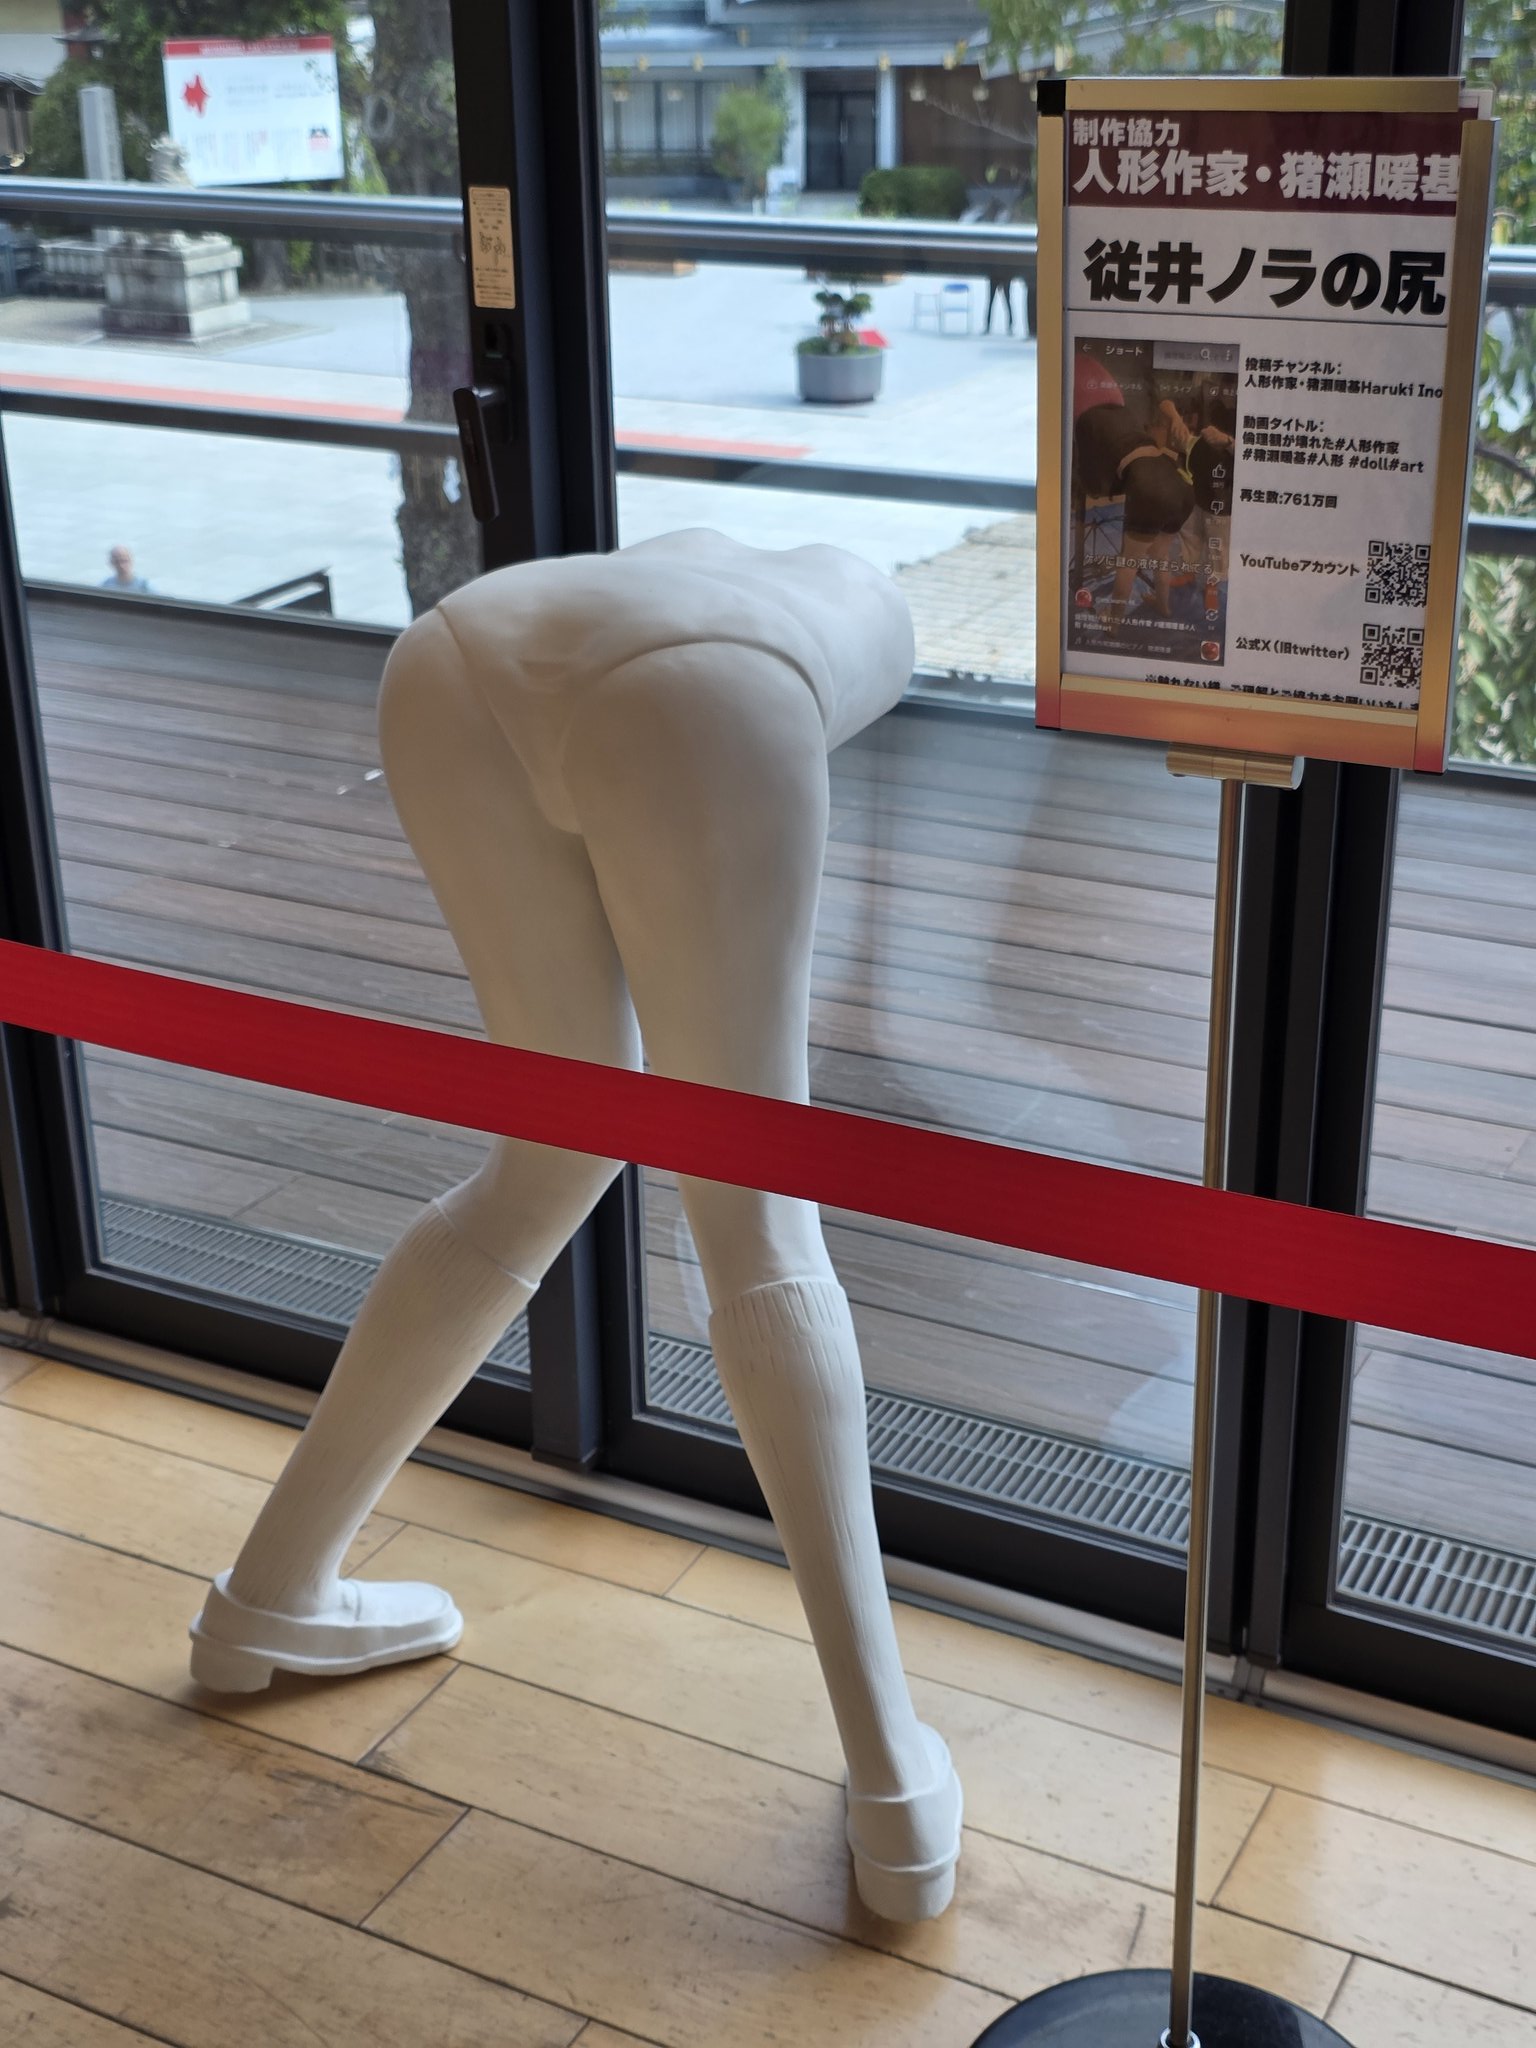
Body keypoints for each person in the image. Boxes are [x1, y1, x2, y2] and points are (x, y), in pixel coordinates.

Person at [186, 528, 965, 1925]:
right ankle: (893, 1780)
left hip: (456, 656)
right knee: (760, 1224)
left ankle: (267, 1594)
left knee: (546, 1155)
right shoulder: (861, 623)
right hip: (700, 692)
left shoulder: (715, 562)